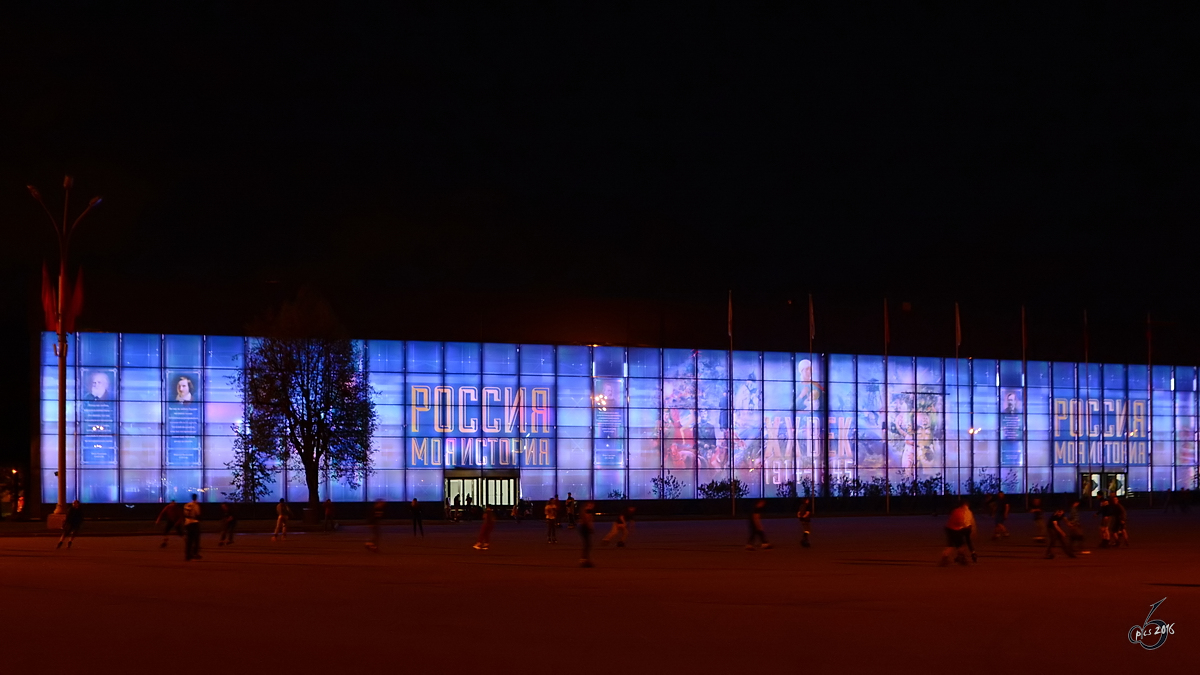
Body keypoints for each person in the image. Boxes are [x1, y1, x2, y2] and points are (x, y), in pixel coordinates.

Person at [939, 498, 973, 566]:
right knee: (961, 545)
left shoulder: (956, 510)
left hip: (949, 528)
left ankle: (945, 557)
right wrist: (966, 527)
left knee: (951, 545)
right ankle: (961, 558)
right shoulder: (961, 512)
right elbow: (961, 522)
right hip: (955, 530)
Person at [183, 494, 202, 561]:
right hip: (194, 522)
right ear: (196, 497)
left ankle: (187, 555)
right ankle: (195, 553)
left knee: (189, 540)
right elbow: (198, 514)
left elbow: (184, 514)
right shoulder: (196, 505)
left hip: (187, 522)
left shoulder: (186, 505)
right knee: (196, 539)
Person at [579, 501, 595, 568]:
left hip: (583, 528)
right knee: (587, 544)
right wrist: (590, 528)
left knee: (587, 544)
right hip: (584, 528)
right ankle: (584, 560)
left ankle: (585, 559)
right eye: (590, 505)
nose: (592, 507)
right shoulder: (586, 511)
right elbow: (587, 520)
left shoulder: (585, 511)